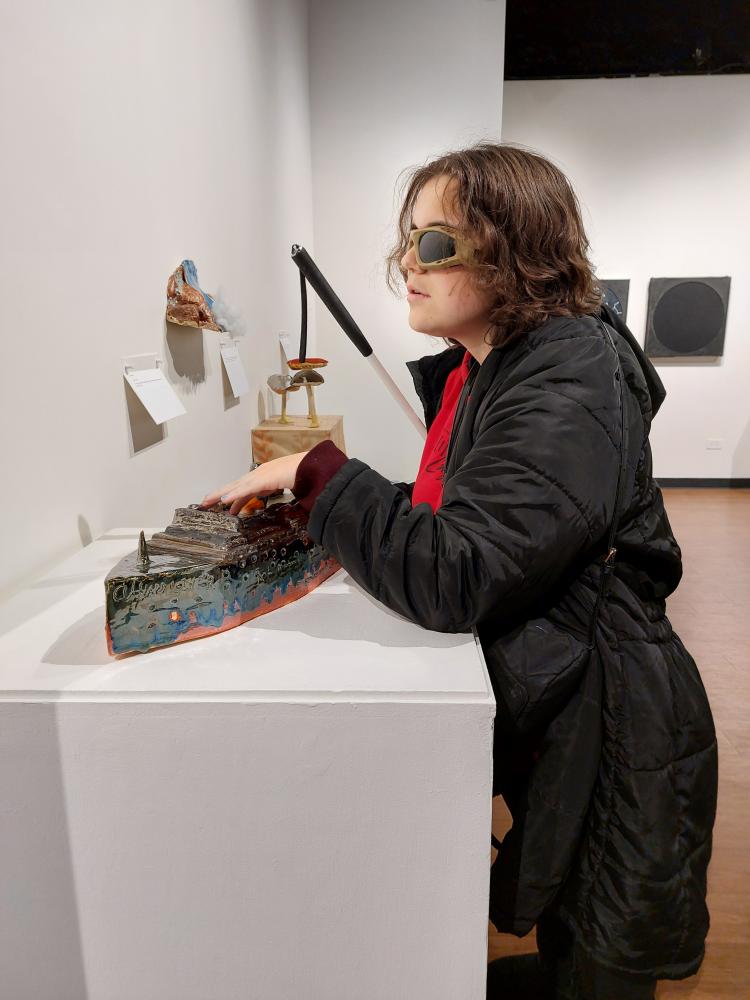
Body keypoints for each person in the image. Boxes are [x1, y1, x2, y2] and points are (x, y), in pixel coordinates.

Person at [201, 143, 717, 999]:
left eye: (436, 243)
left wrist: (320, 475)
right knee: (572, 927)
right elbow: (476, 512)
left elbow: (461, 568)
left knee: (601, 949)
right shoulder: (497, 369)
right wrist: (329, 502)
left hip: (619, 724)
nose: (409, 263)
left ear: (517, 250)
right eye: (407, 241)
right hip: (576, 699)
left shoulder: (571, 370)